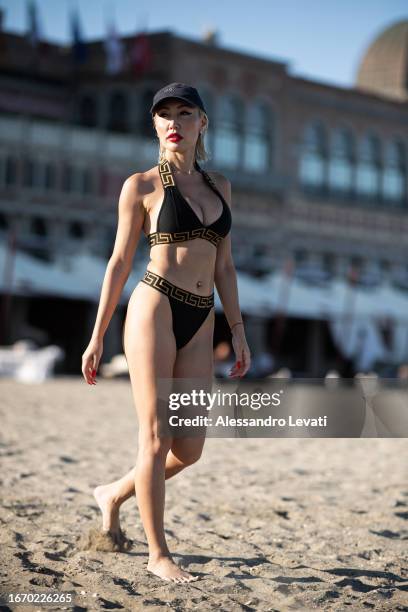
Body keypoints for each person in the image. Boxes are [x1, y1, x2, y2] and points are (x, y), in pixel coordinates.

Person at [81, 83, 251, 583]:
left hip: (202, 316)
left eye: (185, 112)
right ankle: (159, 554)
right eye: (164, 115)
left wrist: (237, 330)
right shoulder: (141, 185)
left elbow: (226, 266)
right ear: (155, 126)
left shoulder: (220, 185)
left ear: (202, 123)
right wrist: (97, 334)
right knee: (154, 438)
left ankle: (113, 493)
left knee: (189, 449)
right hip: (154, 305)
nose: (173, 121)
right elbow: (117, 262)